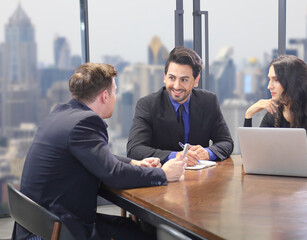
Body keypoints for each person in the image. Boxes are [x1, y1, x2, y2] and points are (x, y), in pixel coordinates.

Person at [13, 63, 186, 240]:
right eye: (114, 91)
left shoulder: (61, 113)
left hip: (41, 224)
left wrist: (133, 162)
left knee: (132, 228)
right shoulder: (86, 122)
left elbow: (97, 157)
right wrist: (162, 173)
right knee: (144, 236)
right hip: (56, 231)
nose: (115, 97)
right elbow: (114, 175)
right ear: (105, 95)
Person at [127, 46, 234, 166]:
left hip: (201, 178)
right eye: (172, 78)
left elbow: (226, 142)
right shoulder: (147, 105)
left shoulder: (208, 101)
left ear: (196, 80)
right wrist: (175, 156)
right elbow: (134, 149)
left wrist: (208, 153)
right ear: (164, 77)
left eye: (184, 80)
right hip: (163, 178)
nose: (176, 86)